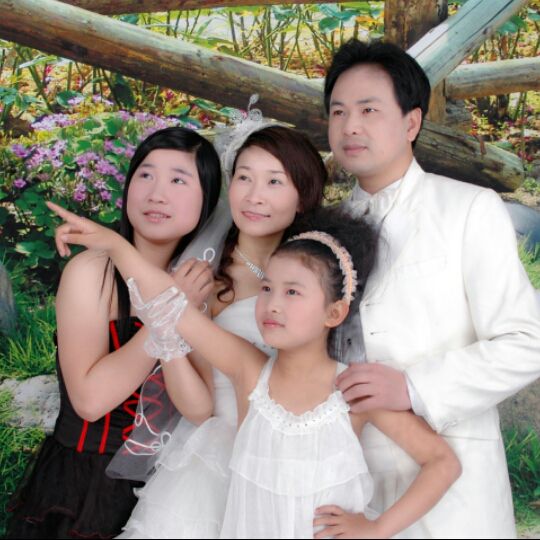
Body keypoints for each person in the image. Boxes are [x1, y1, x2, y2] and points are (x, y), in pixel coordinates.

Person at [46, 201, 462, 539]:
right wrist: (116, 246)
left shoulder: (353, 391)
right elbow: (171, 306)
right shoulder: (249, 370)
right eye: (267, 288)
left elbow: (442, 462)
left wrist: (376, 529)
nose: (272, 304)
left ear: (334, 313)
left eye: (292, 292)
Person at [325, 39, 540, 538]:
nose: (350, 126)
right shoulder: (325, 226)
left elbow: (527, 342)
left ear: (411, 123)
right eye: (338, 111)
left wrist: (414, 387)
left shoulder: (469, 209)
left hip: (451, 476)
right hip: (345, 473)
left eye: (368, 110)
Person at [108, 123, 329, 538]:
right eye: (244, 177)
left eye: (274, 182)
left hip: (294, 450)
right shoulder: (201, 277)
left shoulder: (320, 275)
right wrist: (169, 332)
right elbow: (198, 408)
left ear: (303, 196)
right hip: (215, 454)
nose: (254, 195)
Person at [6, 127, 222, 539]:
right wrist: (167, 311)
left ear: (206, 200)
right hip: (84, 482)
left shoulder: (199, 284)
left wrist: (182, 302)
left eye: (178, 180)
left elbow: (201, 408)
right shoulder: (92, 271)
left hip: (167, 488)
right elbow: (90, 401)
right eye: (146, 175)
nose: (157, 194)